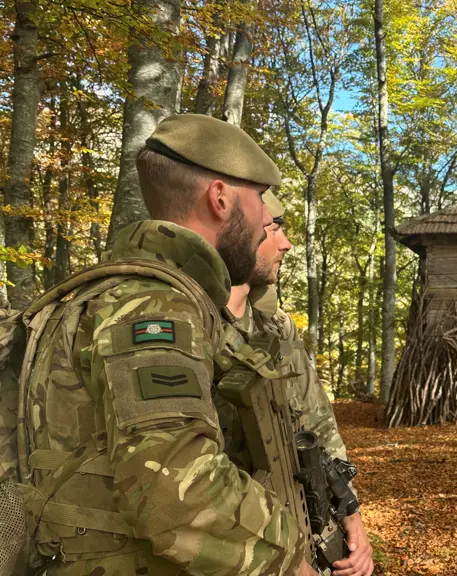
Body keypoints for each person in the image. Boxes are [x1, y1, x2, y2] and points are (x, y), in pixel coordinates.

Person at [17, 114, 318, 575]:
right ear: (220, 198)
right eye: (259, 200)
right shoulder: (155, 307)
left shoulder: (108, 291)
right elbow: (179, 493)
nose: (265, 224)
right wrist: (291, 551)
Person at [224, 195, 374, 576]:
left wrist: (352, 514)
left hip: (308, 531)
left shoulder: (277, 327)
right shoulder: (192, 327)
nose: (286, 243)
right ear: (235, 232)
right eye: (273, 228)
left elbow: (319, 425)